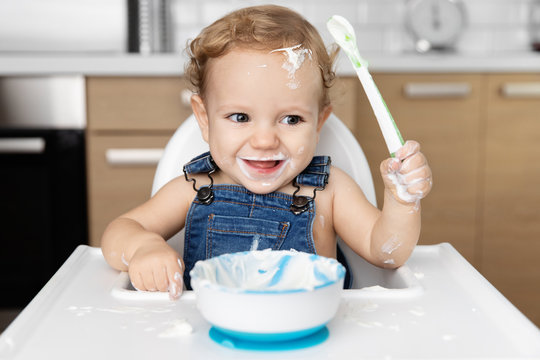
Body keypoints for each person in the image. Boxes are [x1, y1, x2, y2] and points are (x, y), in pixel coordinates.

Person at [101, 5, 432, 300]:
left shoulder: (330, 191)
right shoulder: (197, 187)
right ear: (204, 119)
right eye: (240, 117)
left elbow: (386, 251)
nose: (264, 141)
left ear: (319, 124)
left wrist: (402, 202)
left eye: (291, 119)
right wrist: (143, 247)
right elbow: (120, 231)